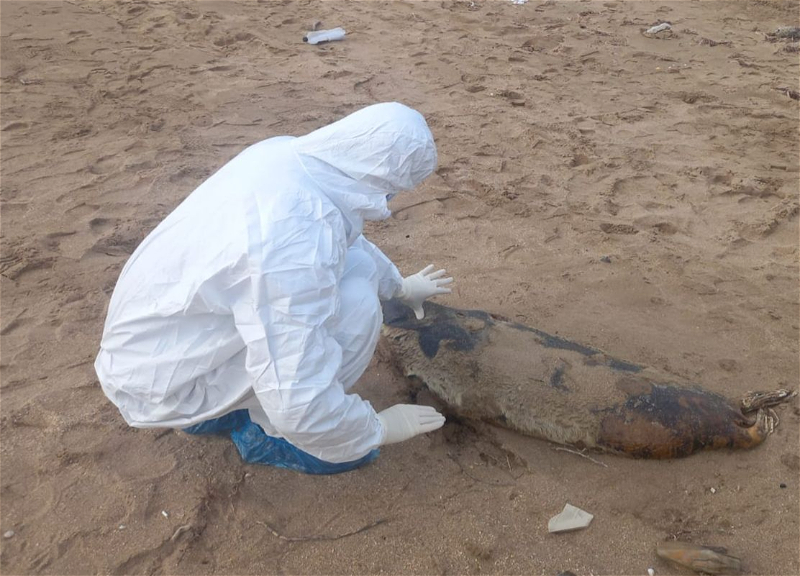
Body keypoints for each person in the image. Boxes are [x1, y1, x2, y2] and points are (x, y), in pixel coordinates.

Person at [95, 102, 452, 474]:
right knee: (359, 305)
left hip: (159, 344)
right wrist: (376, 429)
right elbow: (297, 394)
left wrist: (398, 286)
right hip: (164, 385)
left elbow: (344, 242)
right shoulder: (294, 244)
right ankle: (271, 434)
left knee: (355, 271)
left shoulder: (290, 158)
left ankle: (223, 409)